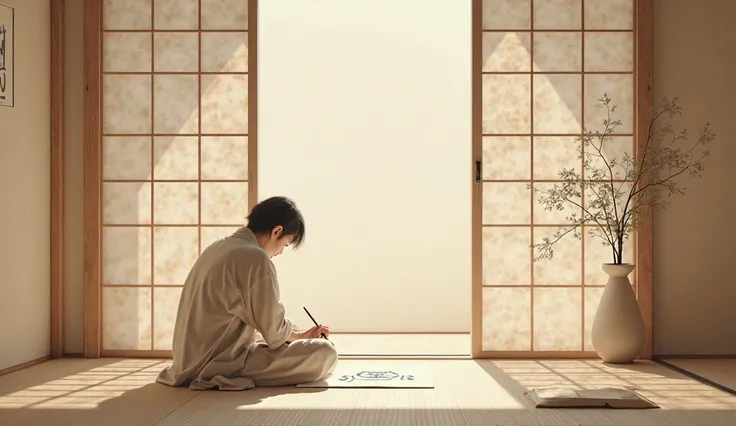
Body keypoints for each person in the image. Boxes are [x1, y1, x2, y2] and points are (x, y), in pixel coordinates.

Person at [156, 196, 338, 390]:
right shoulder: (255, 258)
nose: (280, 253)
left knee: (283, 344)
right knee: (325, 353)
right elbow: (274, 332)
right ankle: (219, 373)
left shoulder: (219, 246)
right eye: (285, 244)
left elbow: (260, 321)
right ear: (276, 231)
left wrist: (297, 335)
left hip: (187, 361)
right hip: (217, 362)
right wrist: (300, 337)